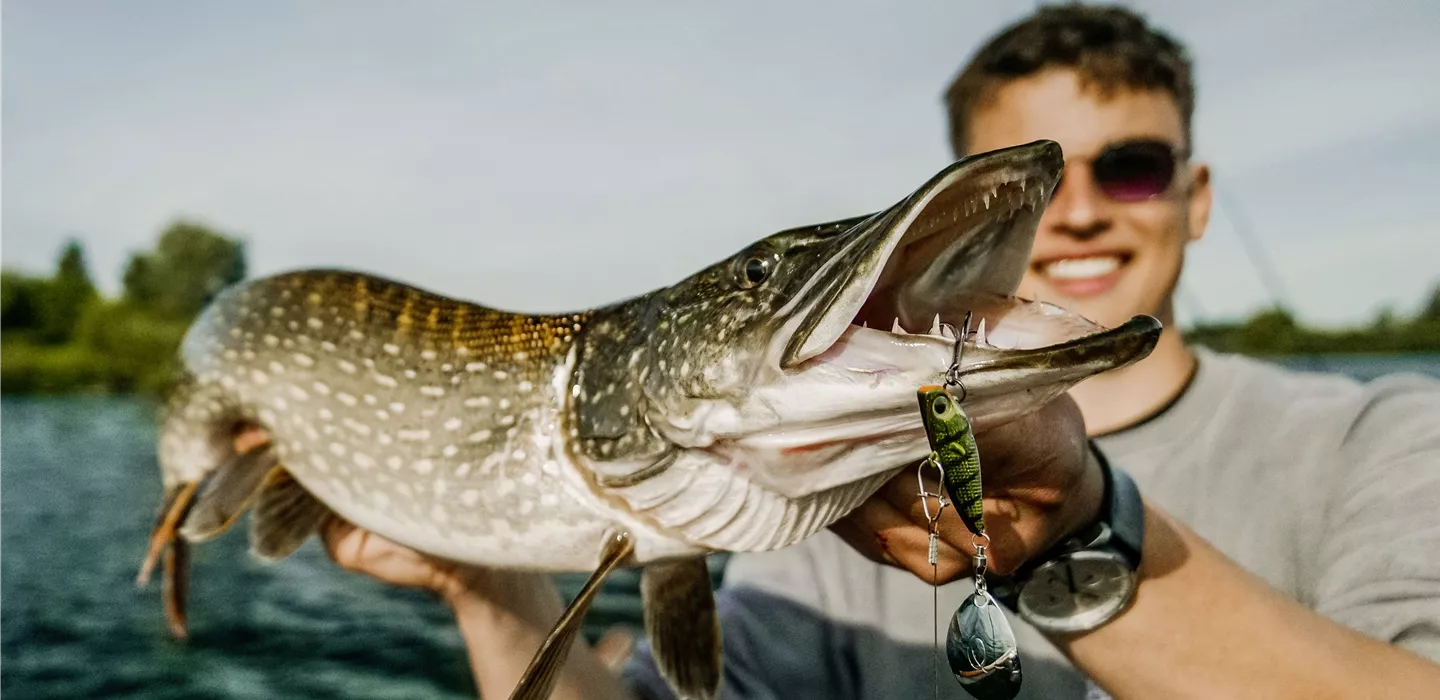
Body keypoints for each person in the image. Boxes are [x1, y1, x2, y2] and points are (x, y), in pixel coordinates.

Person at [321, 4, 1440, 698]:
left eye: (1135, 167)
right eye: (1030, 172)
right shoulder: (823, 491)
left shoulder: (1381, 438)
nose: (1085, 209)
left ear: (1195, 200)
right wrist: (489, 587)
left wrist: (1073, 529)